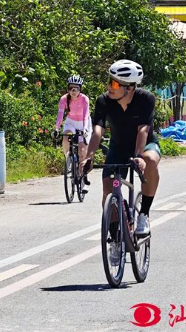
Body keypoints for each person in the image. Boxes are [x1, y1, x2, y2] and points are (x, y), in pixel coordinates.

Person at [83, 60, 161, 265]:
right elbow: (97, 130)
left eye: (115, 83)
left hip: (144, 145)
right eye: (110, 81)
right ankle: (115, 239)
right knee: (108, 191)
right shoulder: (103, 101)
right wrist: (89, 156)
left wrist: (139, 156)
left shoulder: (146, 99)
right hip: (118, 148)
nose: (110, 86)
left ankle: (143, 214)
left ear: (130, 88)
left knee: (150, 160)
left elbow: (143, 129)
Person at [53, 74, 92, 188]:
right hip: (71, 122)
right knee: (65, 137)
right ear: (68, 89)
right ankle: (68, 159)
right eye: (71, 88)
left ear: (80, 89)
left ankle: (83, 179)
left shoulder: (84, 99)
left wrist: (84, 129)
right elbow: (60, 114)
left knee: (82, 151)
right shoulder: (64, 99)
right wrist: (56, 128)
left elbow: (85, 115)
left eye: (76, 88)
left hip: (83, 123)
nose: (73, 91)